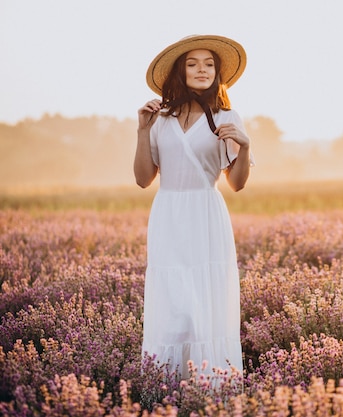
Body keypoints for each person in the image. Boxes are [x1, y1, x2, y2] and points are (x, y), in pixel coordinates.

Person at [134, 35, 252, 380]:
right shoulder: (159, 117)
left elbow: (237, 183)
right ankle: (165, 386)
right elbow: (144, 179)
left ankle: (211, 387)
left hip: (206, 213)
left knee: (206, 300)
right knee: (172, 302)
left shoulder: (227, 115)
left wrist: (244, 148)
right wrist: (142, 132)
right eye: (192, 63)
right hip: (168, 215)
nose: (202, 70)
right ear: (179, 72)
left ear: (217, 73)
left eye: (209, 64)